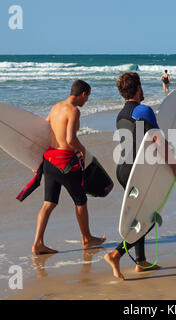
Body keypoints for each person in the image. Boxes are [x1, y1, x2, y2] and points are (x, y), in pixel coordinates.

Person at [104, 72, 176, 280]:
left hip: (123, 169)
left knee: (138, 213)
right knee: (146, 216)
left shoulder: (120, 114)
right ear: (138, 88)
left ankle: (141, 261)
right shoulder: (143, 110)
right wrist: (175, 166)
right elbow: (159, 141)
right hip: (139, 169)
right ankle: (116, 253)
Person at [32, 80, 106, 255]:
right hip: (66, 163)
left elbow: (45, 130)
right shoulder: (74, 111)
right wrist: (82, 151)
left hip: (50, 160)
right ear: (83, 94)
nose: (86, 101)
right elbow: (70, 139)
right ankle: (86, 238)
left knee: (48, 203)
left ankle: (38, 243)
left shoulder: (55, 107)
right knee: (81, 200)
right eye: (87, 97)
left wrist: (36, 161)